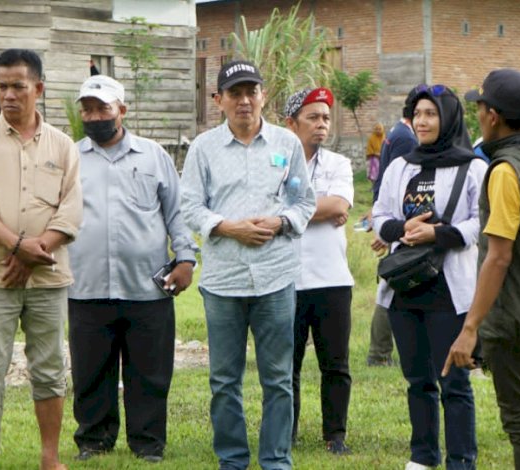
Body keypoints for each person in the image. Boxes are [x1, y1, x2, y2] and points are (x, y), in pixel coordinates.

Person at [180, 60, 315, 470]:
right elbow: (189, 206)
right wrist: (227, 226)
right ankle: (233, 460)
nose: (244, 100)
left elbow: (304, 202)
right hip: (223, 281)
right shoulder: (203, 148)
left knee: (278, 379)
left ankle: (276, 460)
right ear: (218, 100)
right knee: (224, 381)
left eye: (251, 91)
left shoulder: (286, 144)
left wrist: (280, 222)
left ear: (263, 95)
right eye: (234, 93)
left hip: (275, 277)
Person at [0, 49, 82, 470]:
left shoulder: (63, 146)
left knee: (49, 369)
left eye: (18, 86)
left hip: (48, 278)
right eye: (2, 86)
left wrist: (33, 253)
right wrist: (16, 246)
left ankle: (50, 457)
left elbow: (71, 212)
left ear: (39, 90)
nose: (8, 95)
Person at [67, 75, 197, 463]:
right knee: (90, 371)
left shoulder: (154, 156)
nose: (94, 116)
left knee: (150, 372)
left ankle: (148, 443)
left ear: (121, 110)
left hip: (147, 287)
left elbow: (176, 212)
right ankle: (94, 440)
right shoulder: (70, 158)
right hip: (86, 285)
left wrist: (186, 258)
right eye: (87, 109)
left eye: (103, 108)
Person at [445, 69, 520, 470]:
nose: (477, 115)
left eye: (479, 107)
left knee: (518, 418)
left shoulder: (505, 171)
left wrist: (470, 329)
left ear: (493, 116)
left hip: (513, 311)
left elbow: (498, 256)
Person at [374, 84, 487, 470]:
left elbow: (481, 224)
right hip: (405, 290)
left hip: (450, 291)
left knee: (454, 384)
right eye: (417, 113)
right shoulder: (399, 166)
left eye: (431, 114)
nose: (422, 121)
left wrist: (437, 234)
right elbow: (378, 217)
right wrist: (402, 229)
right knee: (417, 380)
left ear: (449, 118)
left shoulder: (473, 168)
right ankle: (423, 455)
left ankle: (460, 459)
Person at [282, 87, 354, 455]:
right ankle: (286, 434)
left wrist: (288, 214)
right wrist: (320, 210)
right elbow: (266, 204)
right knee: (286, 366)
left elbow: (340, 204)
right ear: (291, 123)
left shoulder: (338, 164)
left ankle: (335, 435)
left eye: (326, 117)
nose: (321, 125)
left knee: (335, 365)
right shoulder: (274, 162)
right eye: (313, 117)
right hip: (286, 280)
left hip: (332, 279)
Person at [367, 105, 421, 367]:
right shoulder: (406, 139)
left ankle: (382, 352)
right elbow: (400, 187)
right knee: (391, 286)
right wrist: (388, 229)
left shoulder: (397, 132)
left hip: (390, 220)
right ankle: (379, 353)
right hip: (399, 223)